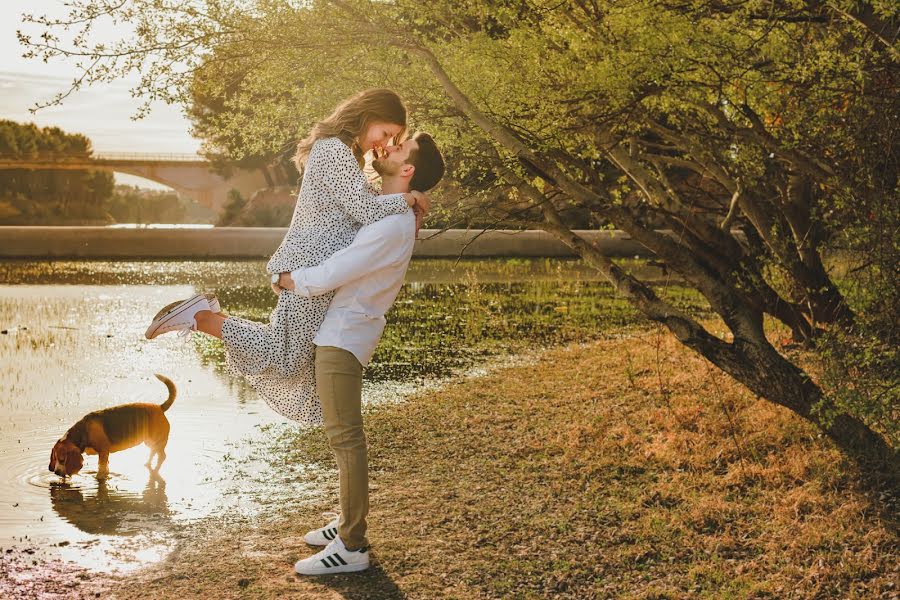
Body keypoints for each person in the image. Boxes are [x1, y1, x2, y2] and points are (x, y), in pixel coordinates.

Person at [144, 89, 429, 427]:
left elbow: (364, 206)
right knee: (284, 359)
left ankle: (207, 317)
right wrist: (408, 200)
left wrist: (410, 209)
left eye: (393, 139)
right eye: (385, 133)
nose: (383, 143)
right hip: (309, 269)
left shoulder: (343, 155)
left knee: (289, 356)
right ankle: (204, 318)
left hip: (315, 271)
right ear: (368, 116)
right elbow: (366, 209)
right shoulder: (333, 150)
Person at [280, 132, 446, 574]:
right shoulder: (391, 214)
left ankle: (352, 546)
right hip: (343, 333)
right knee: (344, 438)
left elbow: (341, 269)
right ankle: (346, 525)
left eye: (399, 147)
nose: (388, 147)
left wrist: (292, 280)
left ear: (407, 169)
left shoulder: (392, 224)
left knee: (346, 439)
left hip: (344, 337)